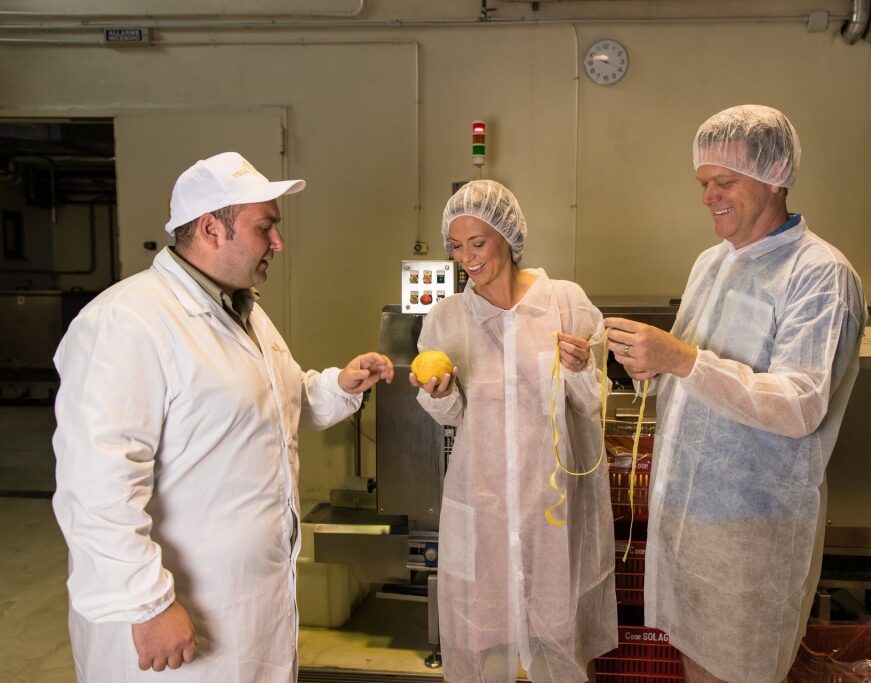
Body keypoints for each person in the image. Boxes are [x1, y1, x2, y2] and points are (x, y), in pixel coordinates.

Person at [51, 151, 394, 682]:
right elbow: (95, 487)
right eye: (266, 228)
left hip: (248, 605)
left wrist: (336, 387)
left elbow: (267, 403)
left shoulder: (241, 308)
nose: (277, 243)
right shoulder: (126, 322)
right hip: (174, 622)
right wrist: (147, 604)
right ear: (212, 229)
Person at [604, 105, 866, 683]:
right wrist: (654, 365)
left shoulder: (820, 274)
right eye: (703, 184)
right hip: (686, 523)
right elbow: (700, 370)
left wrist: (679, 358)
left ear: (774, 176)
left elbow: (798, 404)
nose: (709, 197)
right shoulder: (711, 263)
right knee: (698, 668)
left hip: (752, 537)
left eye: (724, 182)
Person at [410, 180, 616, 683]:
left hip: (553, 509)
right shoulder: (448, 319)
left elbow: (593, 402)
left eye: (476, 243)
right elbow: (454, 415)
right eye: (456, 247)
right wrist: (439, 396)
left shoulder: (565, 303)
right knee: (483, 646)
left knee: (559, 646)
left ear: (508, 237)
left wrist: (580, 367)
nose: (466, 258)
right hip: (482, 506)